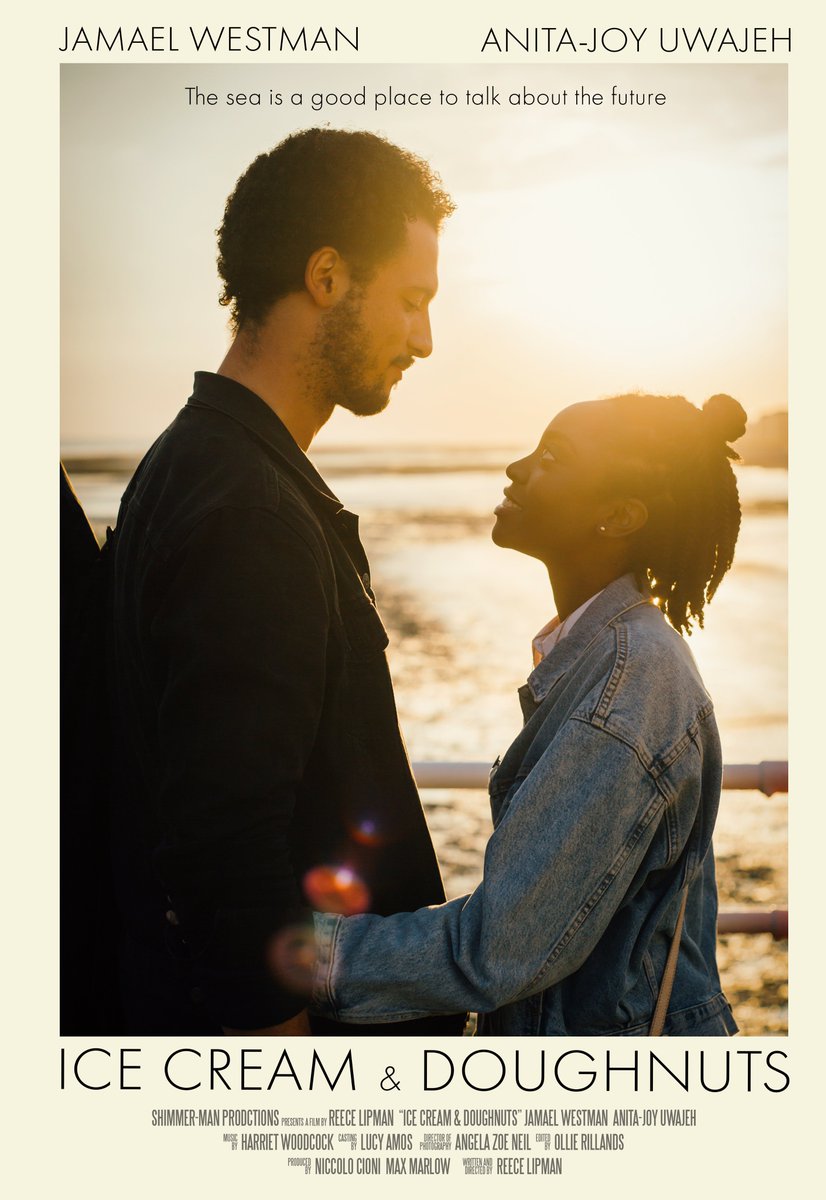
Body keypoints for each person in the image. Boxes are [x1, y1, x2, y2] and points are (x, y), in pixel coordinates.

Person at [105, 127, 463, 1036]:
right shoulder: (251, 512)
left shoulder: (189, 463)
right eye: (412, 300)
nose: (424, 340)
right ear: (329, 276)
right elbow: (226, 840)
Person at [306, 391, 746, 1035]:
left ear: (619, 515)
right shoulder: (607, 654)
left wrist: (292, 957)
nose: (517, 467)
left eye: (552, 456)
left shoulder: (628, 685)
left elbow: (498, 950)